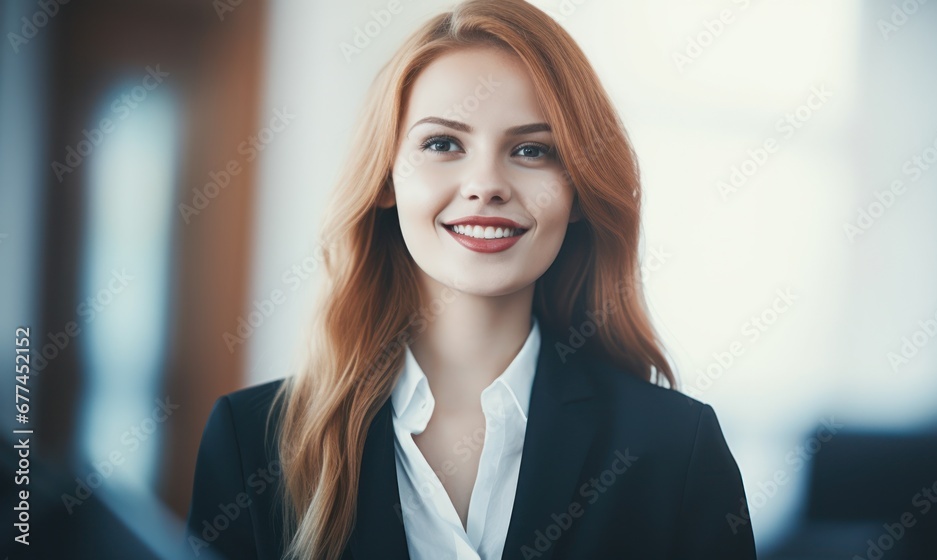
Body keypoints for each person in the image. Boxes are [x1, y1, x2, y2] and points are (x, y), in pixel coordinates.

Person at [185, 1, 757, 558]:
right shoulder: (252, 441)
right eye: (443, 144)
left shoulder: (675, 447)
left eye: (532, 150)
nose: (486, 183)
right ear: (386, 180)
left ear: (578, 193)